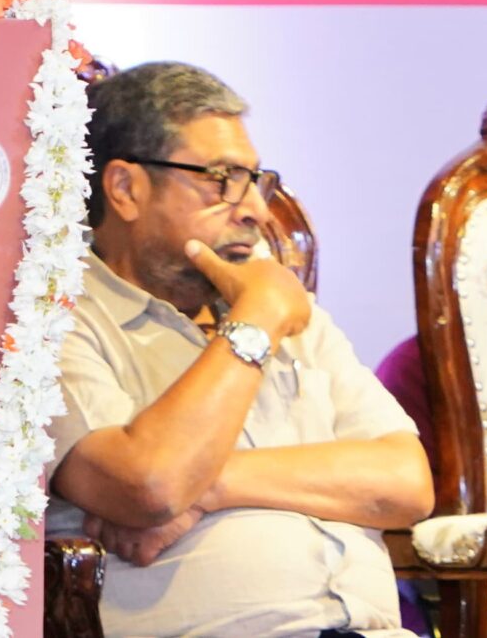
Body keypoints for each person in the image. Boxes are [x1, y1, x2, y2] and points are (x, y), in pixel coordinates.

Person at [49, 62, 434, 638]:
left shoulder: (285, 308)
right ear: (126, 189)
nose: (256, 209)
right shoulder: (59, 319)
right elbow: (148, 486)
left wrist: (210, 485)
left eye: (255, 180)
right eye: (222, 179)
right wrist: (256, 322)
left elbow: (406, 482)